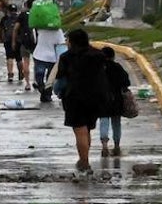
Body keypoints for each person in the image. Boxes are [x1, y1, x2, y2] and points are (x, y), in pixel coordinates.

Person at [53, 28, 110, 171]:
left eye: (68, 40)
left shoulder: (66, 57)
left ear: (72, 42)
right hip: (96, 97)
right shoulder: (98, 55)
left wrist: (57, 91)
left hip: (75, 97)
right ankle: (85, 158)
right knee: (87, 129)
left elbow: (61, 79)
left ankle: (84, 162)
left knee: (80, 130)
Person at [98, 46, 131, 157]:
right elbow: (126, 82)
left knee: (104, 121)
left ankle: (104, 145)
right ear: (112, 56)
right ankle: (116, 146)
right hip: (116, 99)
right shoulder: (117, 67)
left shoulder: (98, 68)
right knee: (116, 123)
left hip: (102, 99)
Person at [31, 23, 65, 103]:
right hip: (52, 57)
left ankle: (43, 91)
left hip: (39, 55)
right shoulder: (58, 31)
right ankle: (47, 93)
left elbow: (34, 38)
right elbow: (61, 44)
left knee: (39, 74)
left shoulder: (40, 29)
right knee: (50, 77)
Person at [12, 0, 35, 91]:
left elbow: (15, 29)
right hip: (36, 42)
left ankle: (28, 83)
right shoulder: (38, 15)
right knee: (37, 62)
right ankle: (37, 81)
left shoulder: (22, 15)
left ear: (26, 5)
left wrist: (13, 41)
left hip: (25, 42)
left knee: (26, 62)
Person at [0, 4, 19, 83]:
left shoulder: (4, 19)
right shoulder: (19, 18)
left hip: (8, 40)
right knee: (19, 58)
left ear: (8, 10)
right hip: (18, 41)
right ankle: (21, 73)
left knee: (9, 57)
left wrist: (1, 39)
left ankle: (10, 74)